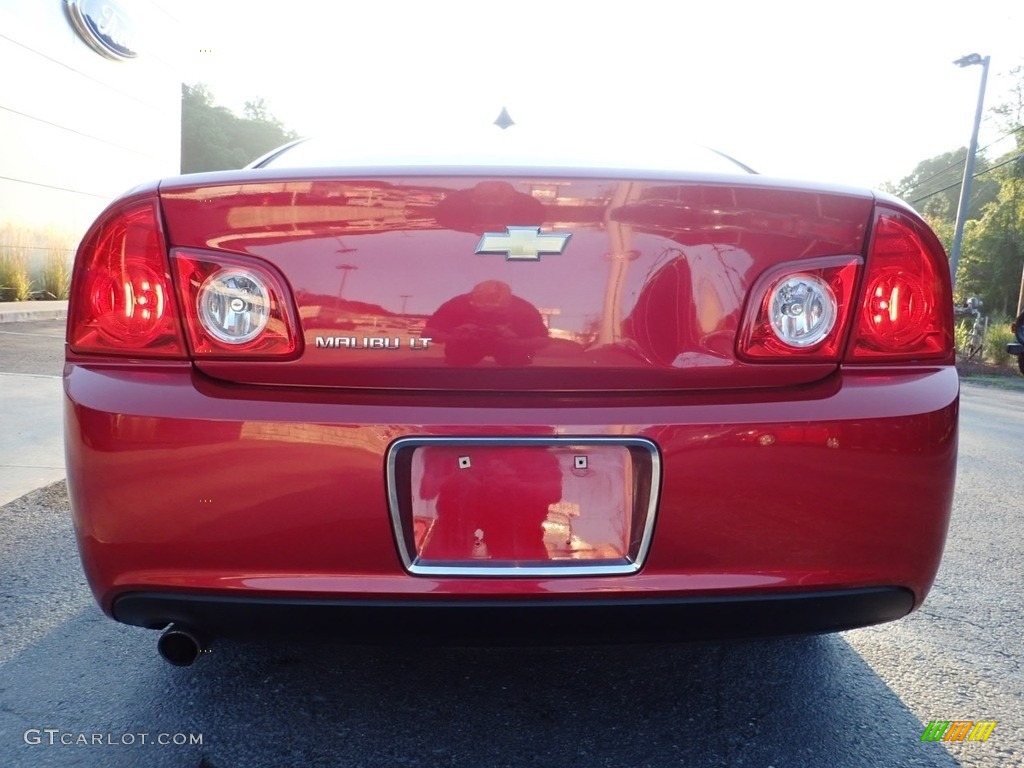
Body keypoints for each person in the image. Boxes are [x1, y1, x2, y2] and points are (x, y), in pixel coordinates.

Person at [424, 280, 549, 366]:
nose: (489, 316)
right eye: (482, 311)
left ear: (509, 303)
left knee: (516, 361)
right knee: (459, 359)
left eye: (495, 311)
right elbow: (427, 334)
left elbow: (543, 341)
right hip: (467, 347)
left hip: (510, 350)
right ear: (471, 299)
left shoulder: (523, 309)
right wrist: (453, 338)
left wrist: (516, 342)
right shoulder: (457, 305)